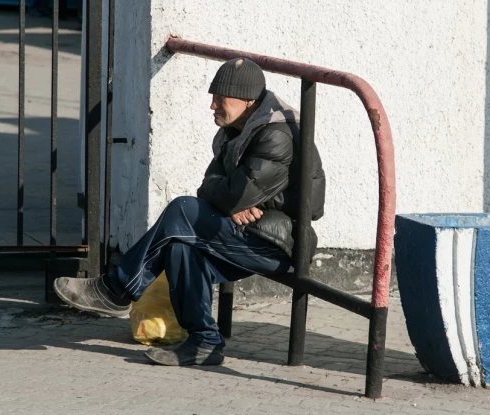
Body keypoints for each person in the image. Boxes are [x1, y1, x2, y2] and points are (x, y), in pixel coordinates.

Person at [54, 58, 326, 367]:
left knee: (182, 209)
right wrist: (230, 201)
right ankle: (204, 342)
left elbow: (235, 193)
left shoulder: (275, 135)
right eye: (213, 97)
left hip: (277, 242)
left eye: (221, 99)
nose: (212, 106)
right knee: (181, 246)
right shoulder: (237, 129)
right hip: (247, 232)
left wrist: (233, 199)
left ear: (249, 100)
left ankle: (116, 289)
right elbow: (210, 185)